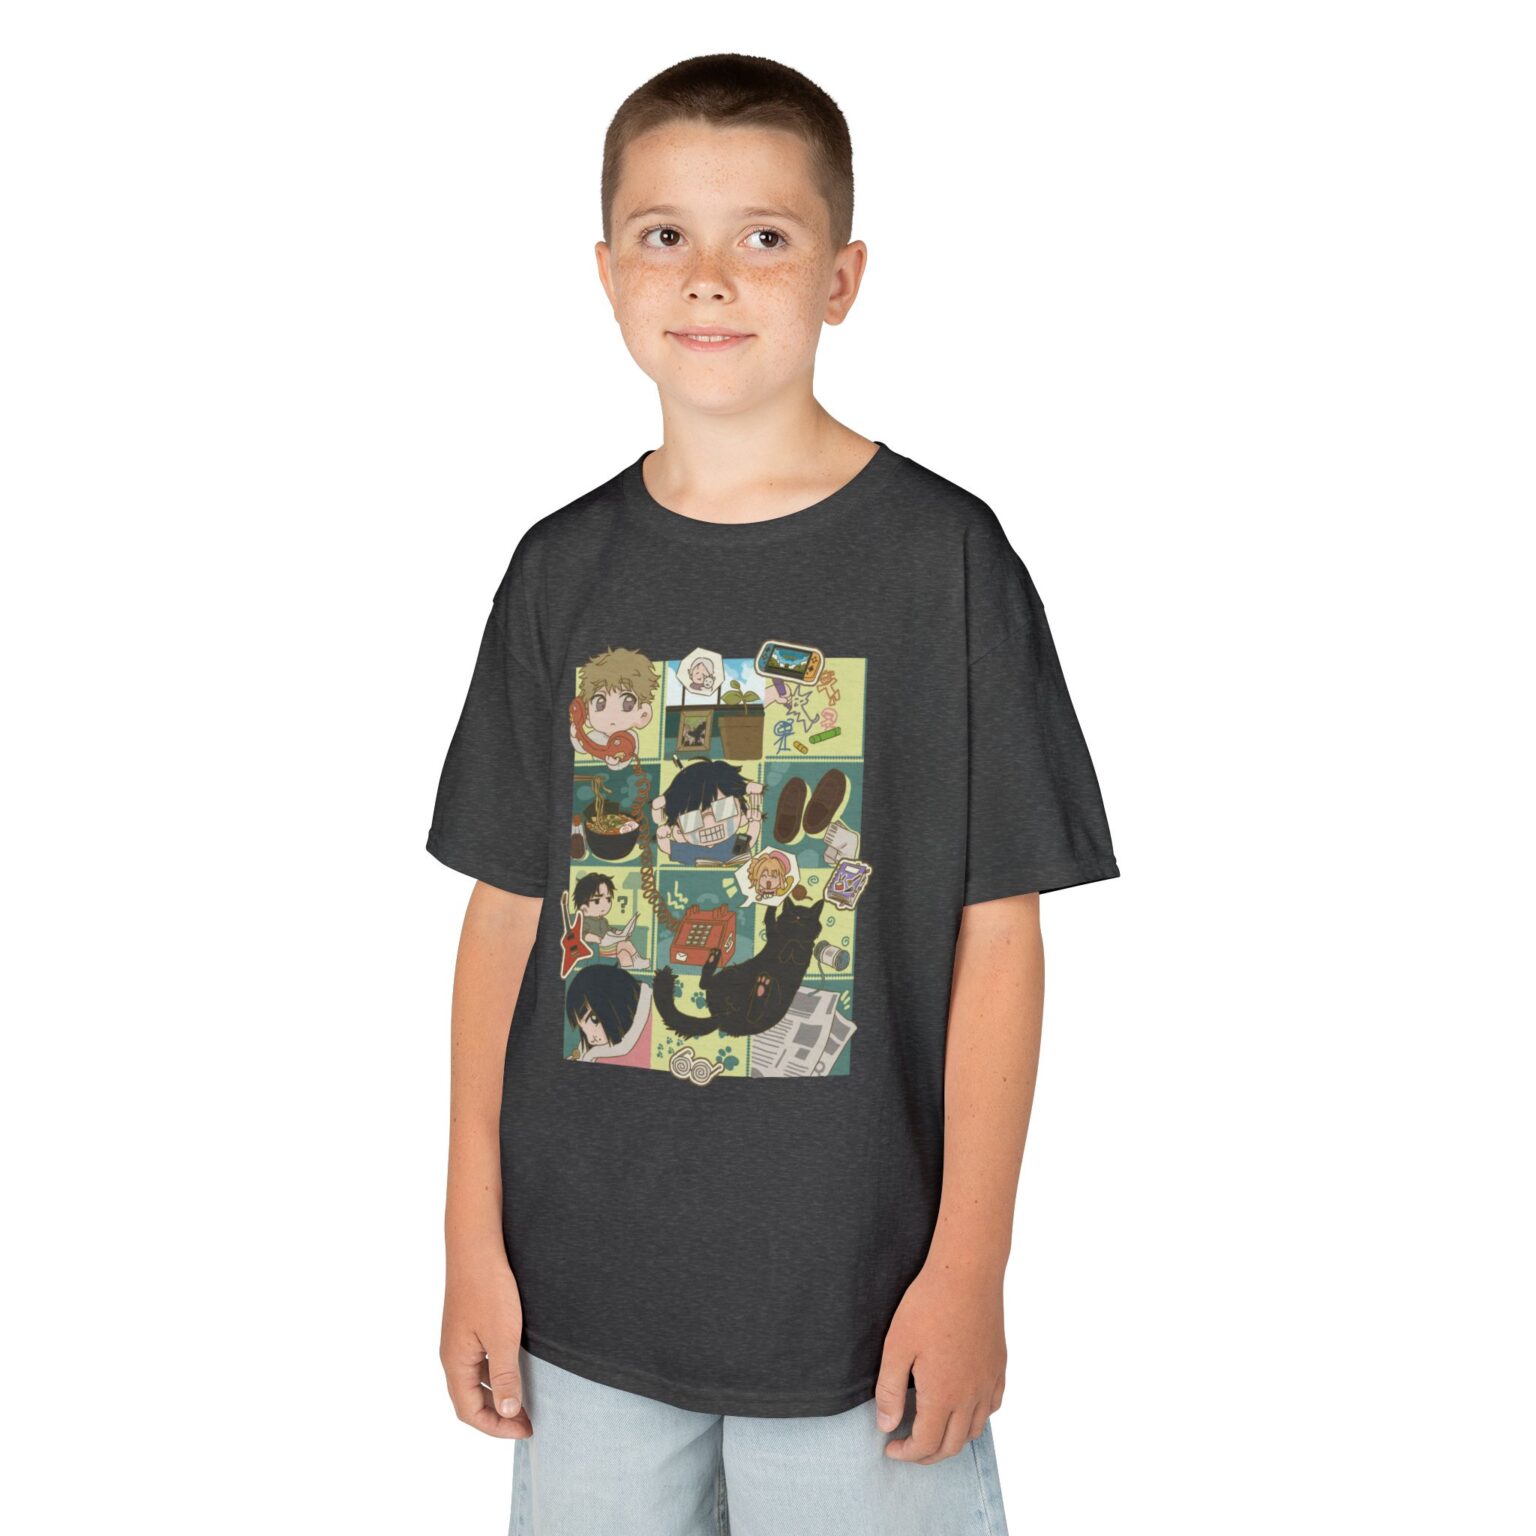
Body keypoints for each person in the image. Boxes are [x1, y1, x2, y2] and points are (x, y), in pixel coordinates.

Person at [426, 52, 1118, 1535]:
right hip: (584, 1297)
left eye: (765, 235)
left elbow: (1001, 939)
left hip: (860, 1309)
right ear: (606, 273)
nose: (710, 276)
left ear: (842, 276)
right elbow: (506, 919)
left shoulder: (945, 563)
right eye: (664, 234)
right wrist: (470, 1239)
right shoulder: (560, 571)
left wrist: (971, 1267)